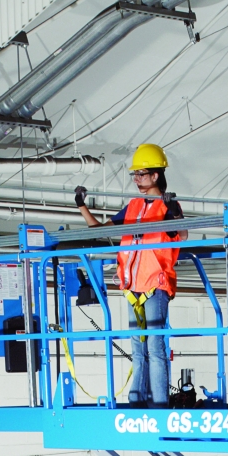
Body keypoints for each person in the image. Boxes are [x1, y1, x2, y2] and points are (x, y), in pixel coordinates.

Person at [75, 143, 183, 406]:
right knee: (138, 350)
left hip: (155, 287)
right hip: (133, 288)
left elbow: (183, 231)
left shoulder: (168, 207)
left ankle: (159, 405)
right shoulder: (134, 207)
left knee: (155, 349)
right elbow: (99, 229)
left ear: (155, 175)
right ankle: (136, 402)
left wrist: (173, 211)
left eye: (141, 174)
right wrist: (81, 206)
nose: (136, 179)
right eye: (134, 175)